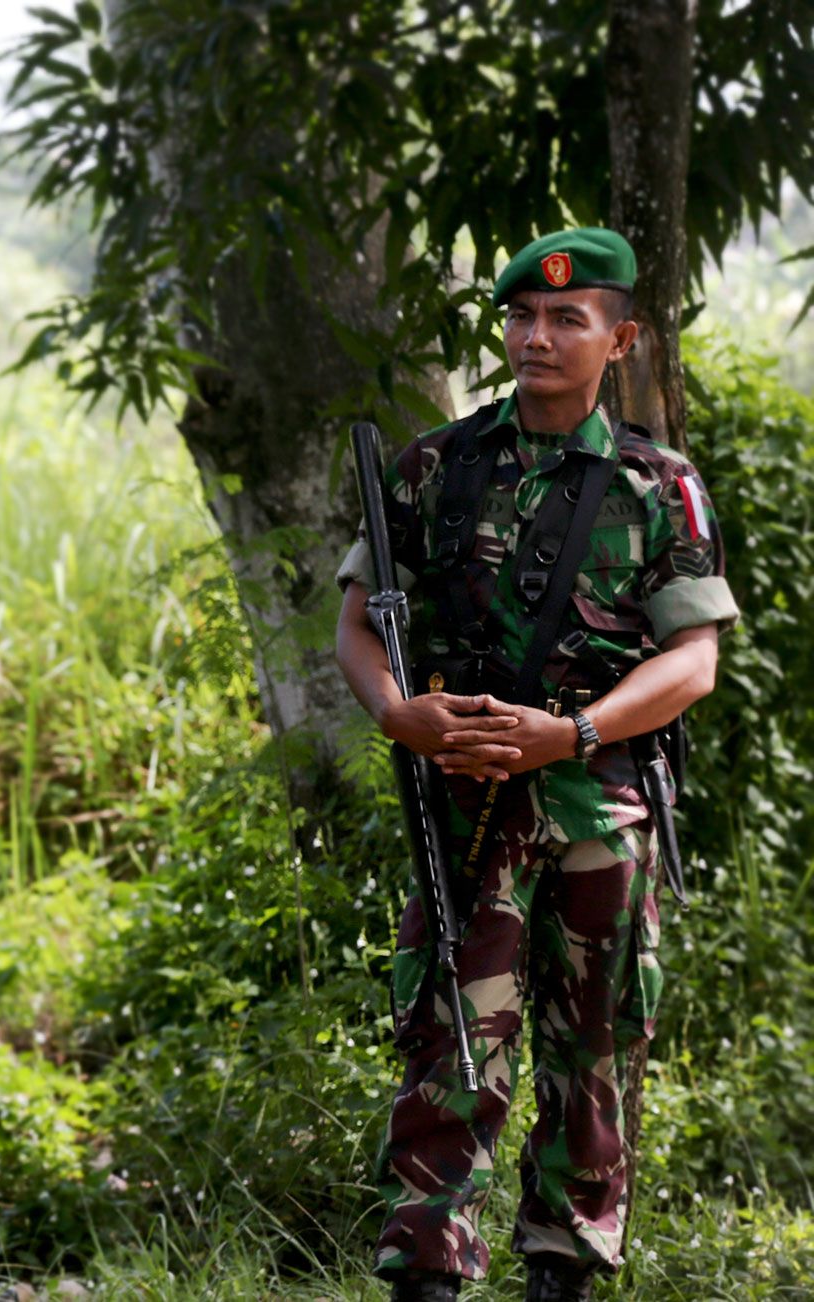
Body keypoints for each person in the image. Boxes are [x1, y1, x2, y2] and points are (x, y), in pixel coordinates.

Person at [334, 228, 739, 1302]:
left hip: (599, 806)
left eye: (567, 318)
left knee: (593, 1051)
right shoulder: (434, 467)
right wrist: (396, 715)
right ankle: (426, 1274)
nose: (537, 337)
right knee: (450, 1045)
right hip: (467, 808)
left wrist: (572, 735)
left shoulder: (658, 483)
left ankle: (560, 1269)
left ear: (620, 339)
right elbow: (359, 627)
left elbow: (690, 657)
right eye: (520, 317)